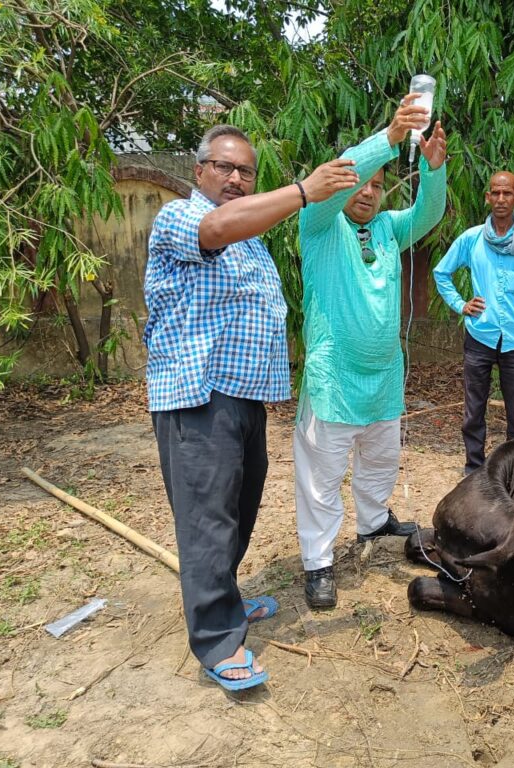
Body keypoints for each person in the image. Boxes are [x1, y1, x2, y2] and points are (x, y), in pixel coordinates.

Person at [144, 125, 358, 691]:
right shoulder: (182, 219)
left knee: (237, 505)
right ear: (199, 172)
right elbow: (216, 228)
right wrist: (304, 191)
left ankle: (226, 601)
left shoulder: (253, 239)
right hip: (198, 395)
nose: (235, 179)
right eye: (223, 167)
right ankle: (217, 642)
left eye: (245, 171)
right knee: (207, 516)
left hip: (244, 397)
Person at [295, 94, 448, 609]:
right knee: (321, 478)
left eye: (380, 186)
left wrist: (433, 171)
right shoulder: (319, 226)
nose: (370, 191)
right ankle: (318, 562)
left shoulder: (386, 230)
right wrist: (388, 140)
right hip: (335, 378)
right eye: (363, 182)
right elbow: (342, 175)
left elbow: (428, 213)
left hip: (383, 376)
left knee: (381, 458)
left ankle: (372, 521)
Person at [433, 171, 514, 475]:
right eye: (495, 193)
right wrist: (461, 304)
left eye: (507, 193)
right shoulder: (472, 239)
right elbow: (441, 273)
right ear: (487, 197)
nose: (500, 199)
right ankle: (474, 470)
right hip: (480, 336)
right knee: (473, 411)